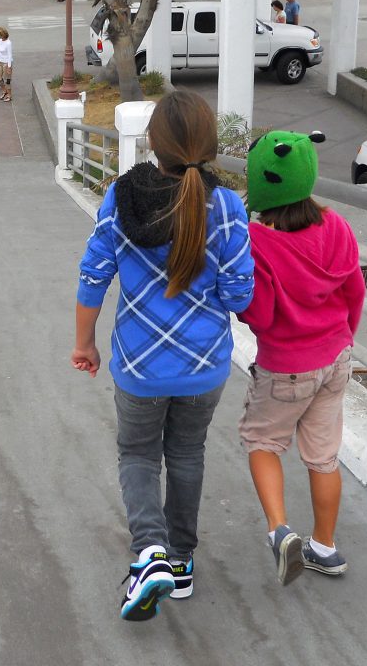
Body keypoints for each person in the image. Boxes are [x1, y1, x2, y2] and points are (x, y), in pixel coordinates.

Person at [72, 91, 254, 622]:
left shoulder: (122, 197)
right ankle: (179, 564)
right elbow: (240, 294)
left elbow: (93, 275)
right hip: (205, 367)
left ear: (154, 142)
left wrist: (84, 343)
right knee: (188, 454)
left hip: (139, 366)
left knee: (138, 455)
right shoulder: (228, 206)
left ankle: (148, 552)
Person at [238, 130, 364, 586]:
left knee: (262, 442)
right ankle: (325, 548)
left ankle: (280, 532)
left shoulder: (258, 242)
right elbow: (354, 290)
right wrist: (343, 340)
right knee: (323, 456)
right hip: (336, 357)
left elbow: (263, 314)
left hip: (286, 365)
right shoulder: (336, 226)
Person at [0, 26, 13, 102]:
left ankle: (9, 95)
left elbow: (10, 55)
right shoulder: (1, 40)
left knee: (7, 80)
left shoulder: (8, 43)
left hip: (6, 63)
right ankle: (5, 90)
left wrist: (9, 66)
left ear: (2, 34)